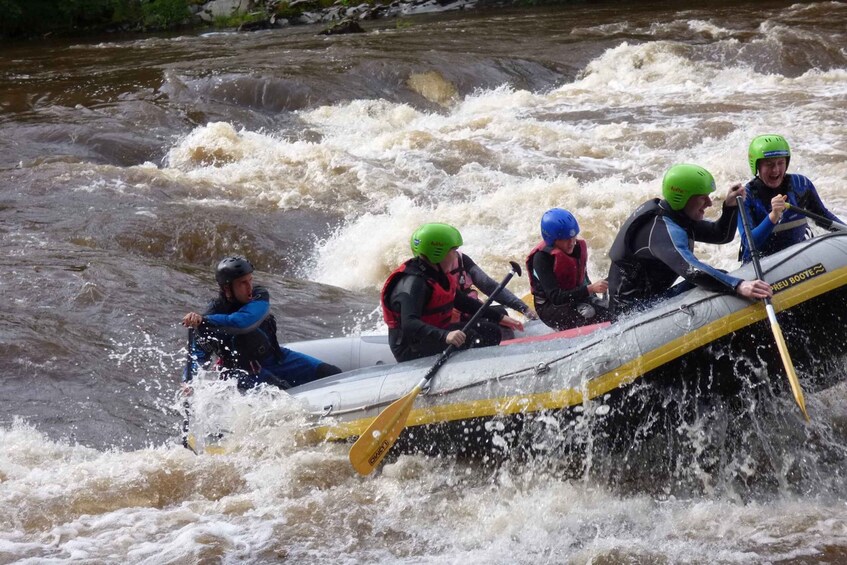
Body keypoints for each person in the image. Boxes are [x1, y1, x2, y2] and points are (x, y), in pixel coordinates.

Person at [607, 163, 773, 318]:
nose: (709, 203)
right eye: (703, 198)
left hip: (653, 300)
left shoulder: (677, 216)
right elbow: (692, 270)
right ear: (683, 198)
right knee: (720, 282)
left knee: (721, 278)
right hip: (632, 315)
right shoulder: (661, 231)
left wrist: (729, 207)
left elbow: (720, 235)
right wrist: (739, 285)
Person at [181, 256, 341, 392]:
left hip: (276, 358)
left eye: (250, 280)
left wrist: (205, 321)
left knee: (331, 373)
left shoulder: (259, 296)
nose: (250, 287)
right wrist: (188, 382)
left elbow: (243, 322)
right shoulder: (212, 314)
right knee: (286, 393)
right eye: (243, 283)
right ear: (227, 289)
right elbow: (198, 356)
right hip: (243, 373)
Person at [381, 222, 524, 363]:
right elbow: (409, 324)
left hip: (434, 334)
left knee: (491, 330)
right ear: (438, 253)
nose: (457, 256)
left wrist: (498, 317)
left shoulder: (437, 274)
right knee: (471, 336)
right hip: (411, 347)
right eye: (453, 251)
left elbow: (463, 302)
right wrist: (445, 335)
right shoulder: (414, 283)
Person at [738, 134, 844, 263]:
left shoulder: (801, 185)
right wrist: (773, 216)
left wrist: (845, 231)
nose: (776, 170)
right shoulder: (745, 197)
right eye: (769, 164)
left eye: (780, 163)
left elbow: (823, 217)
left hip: (798, 257)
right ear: (757, 166)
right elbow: (750, 243)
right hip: (763, 263)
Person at [525, 208, 610, 331]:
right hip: (549, 306)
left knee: (608, 309)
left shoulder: (577, 248)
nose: (571, 242)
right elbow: (556, 297)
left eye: (573, 236)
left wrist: (593, 295)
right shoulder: (541, 258)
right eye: (565, 239)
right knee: (588, 314)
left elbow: (583, 280)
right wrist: (589, 289)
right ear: (552, 239)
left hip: (574, 297)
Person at [450, 251, 538, 328]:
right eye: (452, 250)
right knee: (491, 327)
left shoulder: (461, 258)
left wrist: (524, 309)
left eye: (454, 249)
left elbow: (488, 286)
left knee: (501, 313)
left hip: (472, 309)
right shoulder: (437, 275)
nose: (455, 255)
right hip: (452, 320)